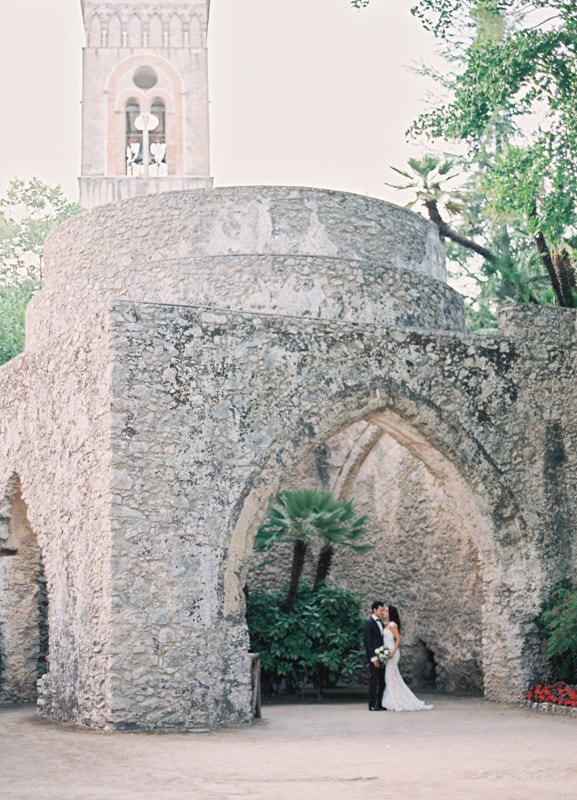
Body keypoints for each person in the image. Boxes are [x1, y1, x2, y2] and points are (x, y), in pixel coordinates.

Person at [381, 604, 433, 711]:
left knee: (391, 676)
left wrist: (393, 652)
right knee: (390, 676)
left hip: (392, 651)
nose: (384, 612)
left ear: (390, 613)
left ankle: (394, 699)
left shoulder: (392, 624)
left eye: (386, 611)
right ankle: (392, 697)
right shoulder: (385, 624)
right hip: (387, 651)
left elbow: (398, 639)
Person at [363, 600, 386, 711]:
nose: (382, 612)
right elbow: (368, 642)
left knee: (382, 680)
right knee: (374, 680)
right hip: (375, 657)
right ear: (374, 610)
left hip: (382, 656)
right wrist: (373, 658)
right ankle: (372, 704)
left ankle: (380, 703)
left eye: (383, 610)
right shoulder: (369, 623)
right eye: (380, 610)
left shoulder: (381, 623)